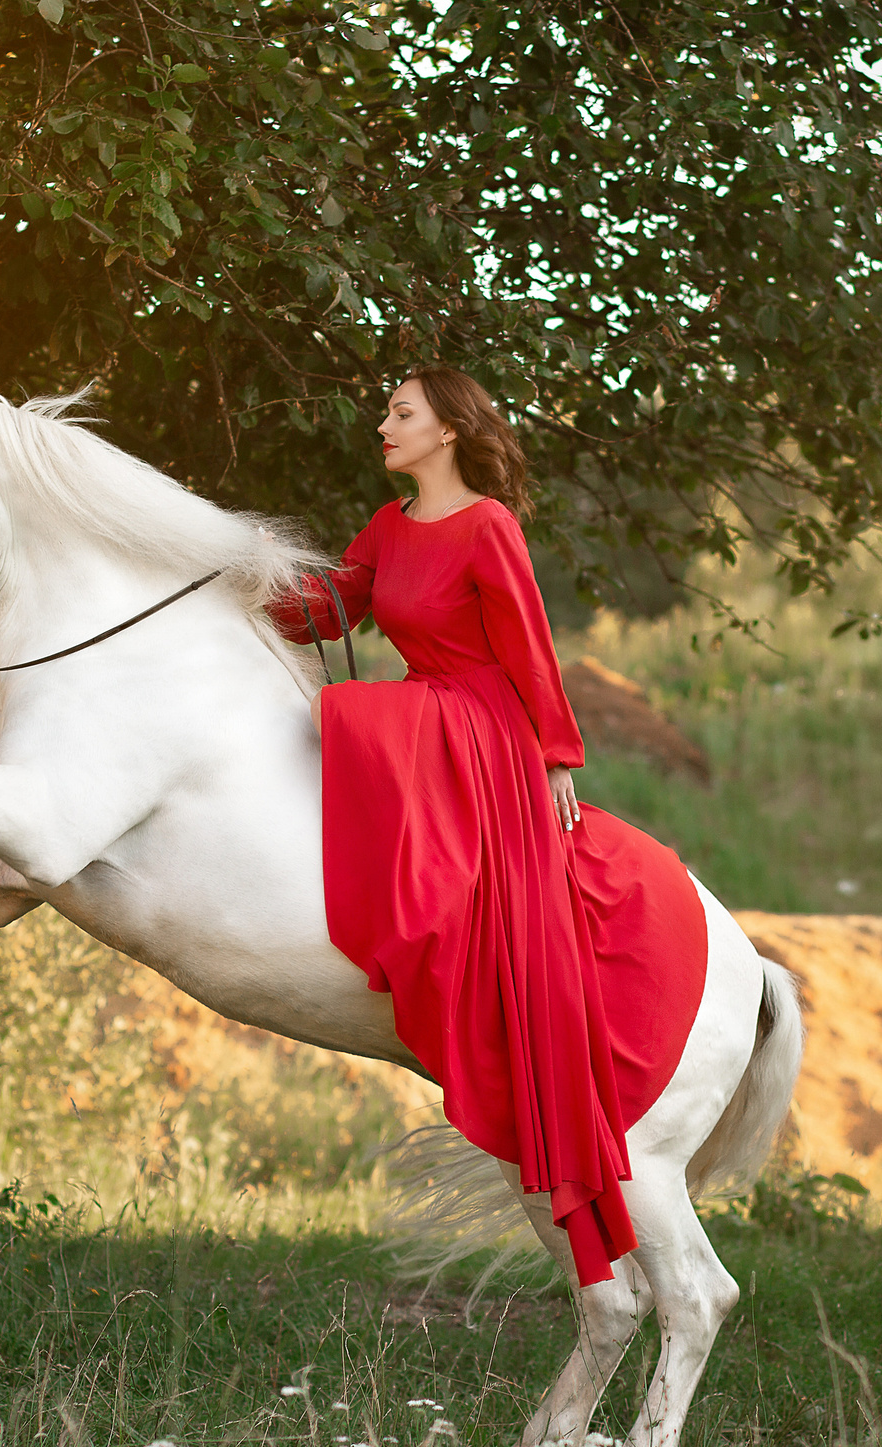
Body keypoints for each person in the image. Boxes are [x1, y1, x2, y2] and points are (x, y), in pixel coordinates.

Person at [274, 366, 710, 1288]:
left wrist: (555, 756)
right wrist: (229, 584)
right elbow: (331, 606)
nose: (382, 424)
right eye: (387, 411)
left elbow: (529, 647)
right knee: (357, 709)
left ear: (447, 432)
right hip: (429, 714)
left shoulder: (488, 526)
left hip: (482, 726)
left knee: (351, 713)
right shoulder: (390, 527)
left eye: (401, 413)